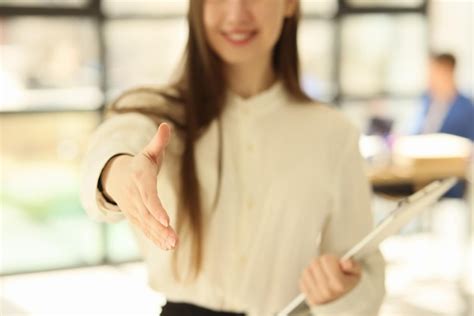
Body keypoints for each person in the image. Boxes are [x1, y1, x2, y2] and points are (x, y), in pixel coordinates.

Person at [80, 1, 385, 315]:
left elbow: (367, 272)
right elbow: (112, 146)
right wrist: (117, 174)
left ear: (290, 4)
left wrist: (343, 291)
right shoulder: (154, 111)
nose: (236, 13)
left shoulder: (333, 133)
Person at [414, 53, 474, 198]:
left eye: (434, 72)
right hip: (419, 171)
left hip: (450, 177)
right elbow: (415, 132)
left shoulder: (465, 107)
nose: (430, 78)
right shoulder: (426, 101)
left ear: (447, 72)